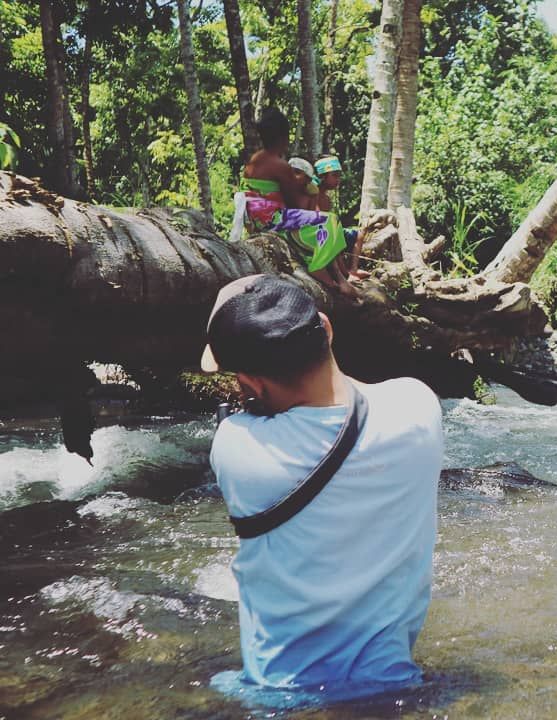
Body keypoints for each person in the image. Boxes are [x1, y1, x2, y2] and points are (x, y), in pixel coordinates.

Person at [203, 274, 443, 699]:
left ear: (252, 383)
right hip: (390, 687)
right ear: (327, 329)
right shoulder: (418, 405)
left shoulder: (235, 444)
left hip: (279, 695)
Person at [234, 108, 358, 297]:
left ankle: (339, 276)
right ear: (283, 138)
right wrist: (308, 193)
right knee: (330, 220)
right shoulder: (279, 165)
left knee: (320, 223)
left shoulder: (255, 159)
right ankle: (318, 266)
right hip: (272, 218)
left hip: (256, 217)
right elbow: (295, 204)